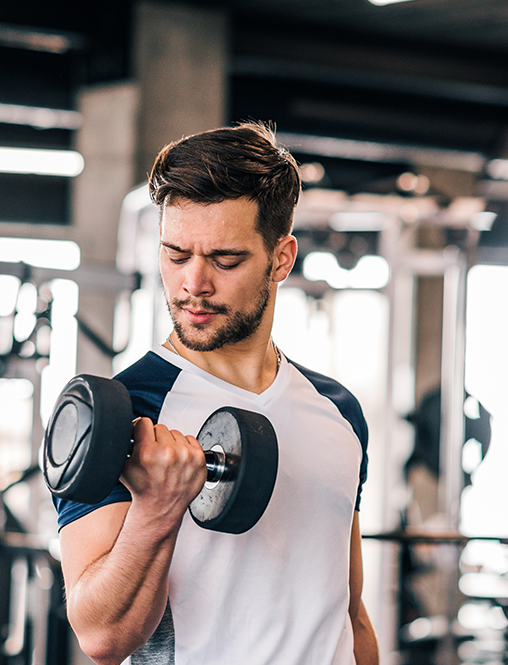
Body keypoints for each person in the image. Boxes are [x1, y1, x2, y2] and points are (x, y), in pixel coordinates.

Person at [53, 123, 379, 665]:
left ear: (281, 257)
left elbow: (349, 613)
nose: (193, 283)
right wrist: (157, 508)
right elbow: (101, 636)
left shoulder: (338, 411)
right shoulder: (123, 412)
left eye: (225, 260)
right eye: (176, 255)